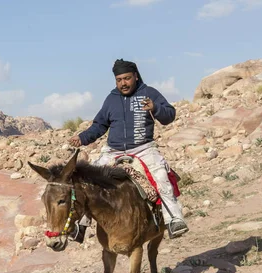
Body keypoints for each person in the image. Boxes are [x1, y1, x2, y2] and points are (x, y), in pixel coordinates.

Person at [68, 59, 188, 241]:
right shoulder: (111, 99)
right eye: (119, 80)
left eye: (127, 78)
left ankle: (174, 219)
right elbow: (99, 125)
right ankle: (81, 226)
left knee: (161, 176)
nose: (123, 83)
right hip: (113, 151)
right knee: (88, 181)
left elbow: (169, 115)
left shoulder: (149, 93)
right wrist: (82, 138)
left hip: (143, 148)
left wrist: (155, 108)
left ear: (135, 77)